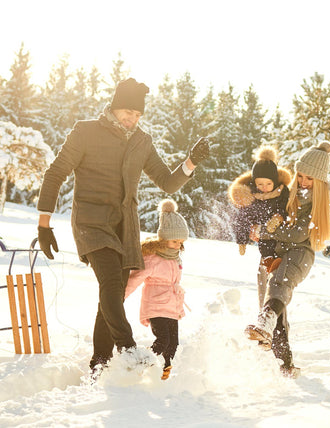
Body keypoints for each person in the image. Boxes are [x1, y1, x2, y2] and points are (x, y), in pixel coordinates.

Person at [35, 78, 209, 373]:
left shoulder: (142, 141)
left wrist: (190, 163)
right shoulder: (85, 132)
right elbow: (55, 173)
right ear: (114, 108)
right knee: (111, 283)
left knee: (113, 295)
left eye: (138, 114)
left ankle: (99, 363)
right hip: (91, 222)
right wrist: (44, 224)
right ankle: (127, 347)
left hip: (126, 228)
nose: (132, 119)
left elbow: (166, 182)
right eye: (128, 112)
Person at [244, 141, 330, 376]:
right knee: (272, 297)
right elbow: (264, 194)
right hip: (277, 249)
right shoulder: (289, 192)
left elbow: (298, 234)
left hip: (300, 252)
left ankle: (266, 320)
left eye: (310, 179)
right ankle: (284, 361)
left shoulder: (320, 201)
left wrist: (266, 230)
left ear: (321, 181)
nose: (304, 182)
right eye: (301, 176)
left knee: (279, 284)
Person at [124, 199, 189, 380]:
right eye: (174, 241)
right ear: (164, 238)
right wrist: (120, 297)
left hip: (172, 307)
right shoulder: (153, 258)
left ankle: (164, 369)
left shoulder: (175, 257)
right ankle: (139, 364)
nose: (178, 245)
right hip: (156, 304)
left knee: (173, 343)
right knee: (163, 341)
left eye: (180, 242)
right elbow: (136, 278)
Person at [228, 145, 291, 273]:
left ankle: (279, 263)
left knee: (281, 245)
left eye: (268, 184)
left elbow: (287, 208)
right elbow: (243, 219)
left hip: (280, 230)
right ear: (254, 183)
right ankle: (269, 261)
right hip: (262, 232)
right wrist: (242, 240)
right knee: (264, 241)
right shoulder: (251, 197)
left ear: (274, 181)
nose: (264, 187)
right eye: (260, 184)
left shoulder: (281, 193)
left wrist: (279, 217)